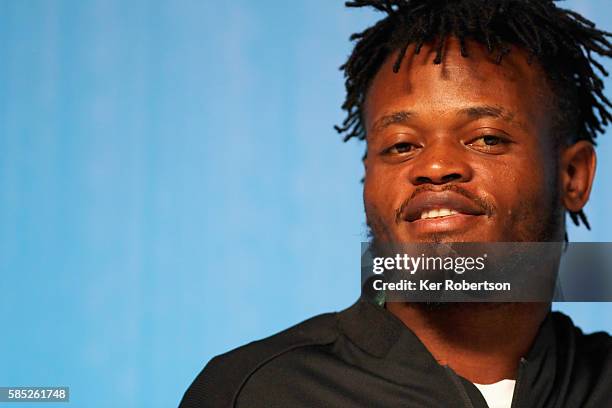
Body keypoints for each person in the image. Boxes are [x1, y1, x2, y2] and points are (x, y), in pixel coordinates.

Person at [180, 1, 612, 406]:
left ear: (573, 176)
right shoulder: (257, 393)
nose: (436, 165)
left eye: (486, 138)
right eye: (402, 146)